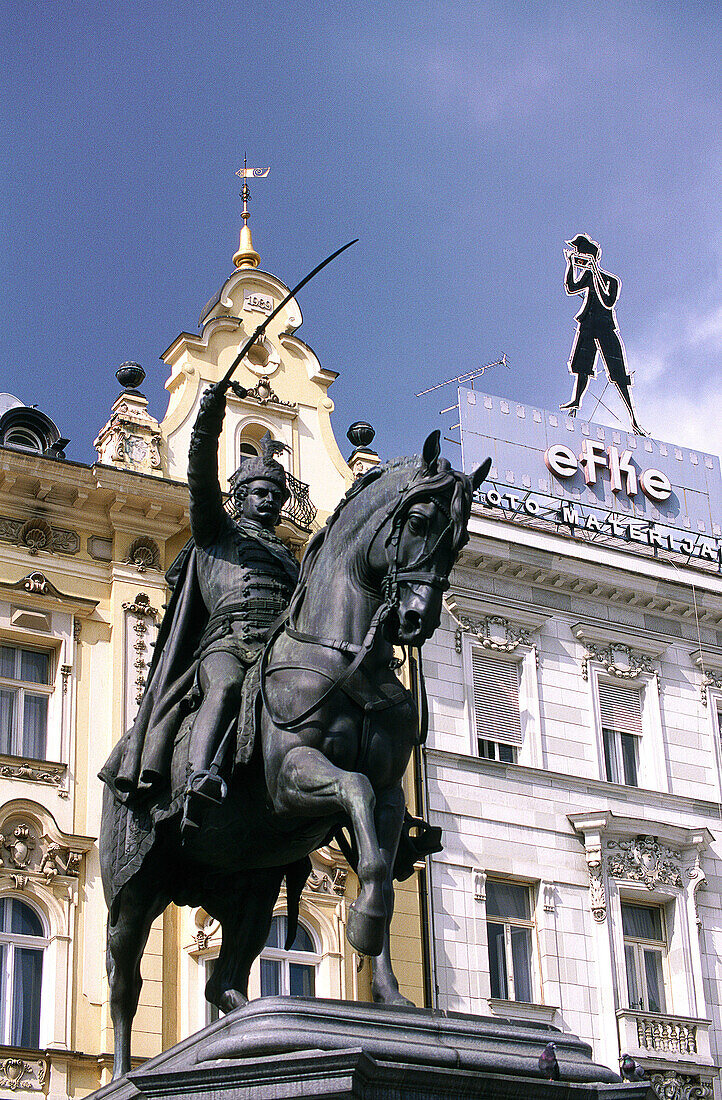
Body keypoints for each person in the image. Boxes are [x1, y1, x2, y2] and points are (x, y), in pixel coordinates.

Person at [100, 381, 300, 833]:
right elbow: (200, 480)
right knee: (226, 687)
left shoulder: (290, 558)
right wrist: (209, 420)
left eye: (276, 494)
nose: (270, 501)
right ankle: (198, 778)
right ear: (241, 497)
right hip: (228, 644)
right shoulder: (217, 532)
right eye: (260, 493)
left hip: (279, 649)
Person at [561, 234, 647, 435]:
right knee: (582, 366)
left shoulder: (610, 280)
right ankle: (576, 401)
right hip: (588, 323)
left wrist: (595, 272)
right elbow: (571, 287)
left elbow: (608, 301)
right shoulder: (588, 276)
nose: (580, 256)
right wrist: (570, 266)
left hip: (606, 326)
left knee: (618, 373)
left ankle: (633, 419)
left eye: (582, 254)